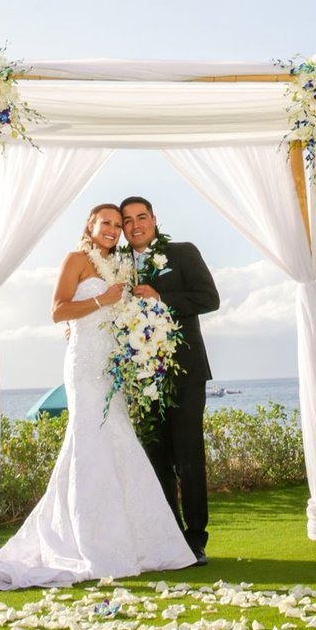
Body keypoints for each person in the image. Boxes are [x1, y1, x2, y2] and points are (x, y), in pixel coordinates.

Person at [0, 204, 196, 584]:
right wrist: (102, 300)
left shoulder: (119, 265)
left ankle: (137, 542)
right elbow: (58, 310)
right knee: (90, 442)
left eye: (118, 226)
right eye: (107, 223)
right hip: (84, 365)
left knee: (118, 440)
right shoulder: (75, 259)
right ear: (90, 224)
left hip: (111, 368)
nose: (114, 230)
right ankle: (89, 542)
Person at [121, 195, 220, 566]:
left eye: (141, 217)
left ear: (154, 219)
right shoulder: (115, 265)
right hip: (140, 379)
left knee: (189, 458)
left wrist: (162, 296)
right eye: (127, 220)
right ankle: (169, 536)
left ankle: (196, 539)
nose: (134, 225)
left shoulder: (183, 253)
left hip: (186, 373)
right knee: (156, 460)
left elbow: (210, 298)